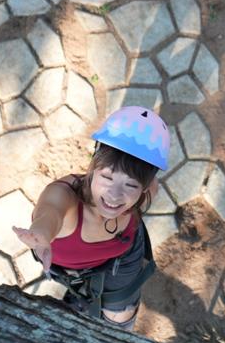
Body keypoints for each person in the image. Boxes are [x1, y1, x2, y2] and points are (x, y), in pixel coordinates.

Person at [13, 106, 170, 329]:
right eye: (107, 177)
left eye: (131, 184)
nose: (114, 196)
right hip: (73, 267)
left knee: (118, 322)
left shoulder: (147, 190)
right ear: (93, 166)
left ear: (144, 187)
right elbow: (51, 211)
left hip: (125, 252)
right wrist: (41, 233)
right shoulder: (65, 195)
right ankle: (79, 296)